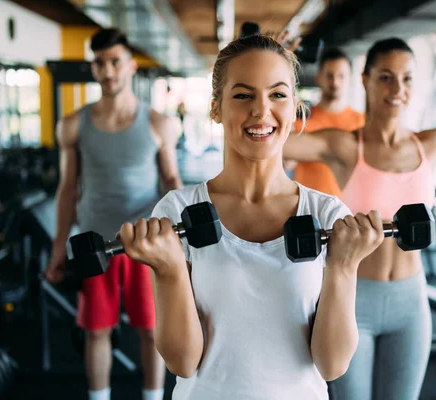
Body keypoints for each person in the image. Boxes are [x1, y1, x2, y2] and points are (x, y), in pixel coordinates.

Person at [116, 34, 386, 399]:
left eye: (277, 95)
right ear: (216, 108)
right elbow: (183, 363)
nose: (261, 111)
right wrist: (169, 271)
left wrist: (343, 267)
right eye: (243, 95)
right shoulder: (177, 211)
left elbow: (332, 365)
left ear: (295, 110)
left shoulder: (327, 214)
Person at [283, 36, 436, 400]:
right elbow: (272, 141)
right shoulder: (345, 147)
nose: (397, 88)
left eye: (407, 78)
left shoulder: (432, 144)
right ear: (365, 80)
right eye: (385, 77)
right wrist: (277, 65)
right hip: (354, 300)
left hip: (411, 300)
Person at [45, 28, 183, 400]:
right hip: (93, 244)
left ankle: (153, 397)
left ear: (131, 66)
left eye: (115, 62)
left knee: (152, 329)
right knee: (96, 330)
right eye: (100, 63)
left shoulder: (158, 123)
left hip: (143, 242)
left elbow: (171, 181)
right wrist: (59, 249)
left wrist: (180, 243)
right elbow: (67, 190)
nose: (108, 71)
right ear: (93, 67)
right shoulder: (73, 125)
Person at [290, 48, 365, 196]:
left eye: (341, 76)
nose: (335, 82)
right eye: (329, 75)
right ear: (319, 78)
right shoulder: (301, 120)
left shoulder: (363, 122)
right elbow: (287, 163)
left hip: (349, 210)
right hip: (308, 208)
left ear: (350, 80)